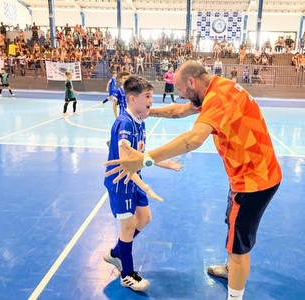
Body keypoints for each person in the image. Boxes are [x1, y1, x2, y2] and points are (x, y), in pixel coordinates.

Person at [104, 60, 282, 300]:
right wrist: (145, 112)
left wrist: (144, 159)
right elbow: (180, 111)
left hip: (253, 182)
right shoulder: (218, 88)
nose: (178, 94)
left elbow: (193, 139)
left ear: (191, 82)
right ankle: (231, 269)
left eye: (180, 89)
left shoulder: (217, 100)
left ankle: (234, 295)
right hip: (251, 174)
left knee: (238, 248)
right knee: (233, 228)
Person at [103, 75, 183, 291]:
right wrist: (146, 186)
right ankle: (127, 274)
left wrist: (164, 163)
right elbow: (126, 163)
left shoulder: (140, 122)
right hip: (122, 182)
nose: (151, 101)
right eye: (147, 96)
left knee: (145, 218)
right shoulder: (124, 124)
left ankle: (117, 252)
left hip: (135, 180)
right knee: (128, 226)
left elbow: (141, 156)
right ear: (131, 99)